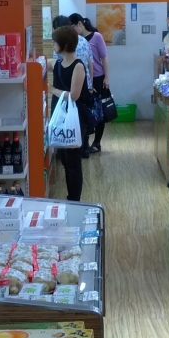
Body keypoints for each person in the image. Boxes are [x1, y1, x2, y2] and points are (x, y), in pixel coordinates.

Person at [49, 24, 91, 201]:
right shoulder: (58, 63)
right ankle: (70, 197)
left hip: (75, 118)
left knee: (73, 162)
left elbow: (74, 95)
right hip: (62, 117)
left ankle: (74, 199)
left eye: (55, 42)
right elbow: (42, 62)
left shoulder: (78, 66)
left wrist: (52, 90)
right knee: (65, 160)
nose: (52, 45)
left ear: (64, 45)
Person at [54, 16, 95, 158]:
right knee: (81, 122)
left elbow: (60, 68)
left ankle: (72, 150)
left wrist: (52, 89)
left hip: (69, 90)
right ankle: (83, 147)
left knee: (72, 121)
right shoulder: (83, 40)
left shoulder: (62, 49)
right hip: (85, 85)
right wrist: (90, 84)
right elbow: (91, 63)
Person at [72, 14, 108, 153]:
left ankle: (97, 142)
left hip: (98, 78)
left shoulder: (96, 37)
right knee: (86, 111)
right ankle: (85, 143)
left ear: (79, 24)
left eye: (73, 27)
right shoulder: (75, 40)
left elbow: (104, 58)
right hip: (84, 79)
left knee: (99, 112)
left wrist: (106, 78)